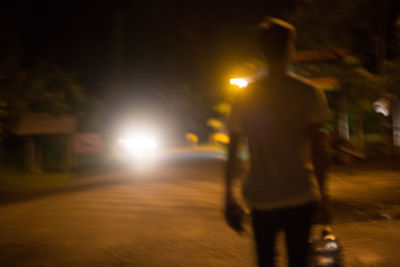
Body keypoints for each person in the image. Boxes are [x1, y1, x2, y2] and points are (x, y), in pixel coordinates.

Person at [224, 18, 331, 267]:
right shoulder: (308, 93)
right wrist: (325, 197)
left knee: (265, 261)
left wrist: (228, 197)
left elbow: (232, 151)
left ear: (262, 50)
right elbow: (319, 149)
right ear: (290, 49)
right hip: (300, 195)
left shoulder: (246, 95)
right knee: (299, 261)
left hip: (262, 200)